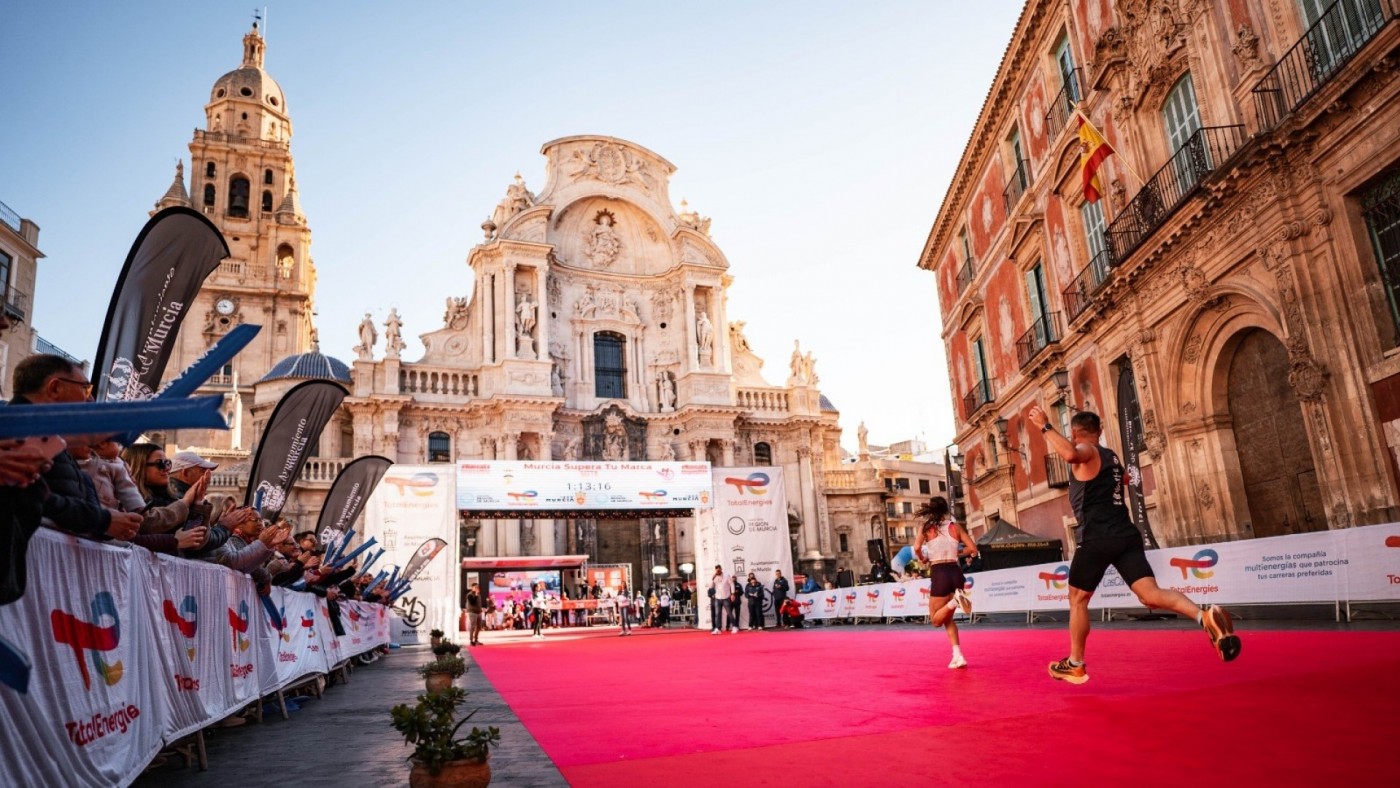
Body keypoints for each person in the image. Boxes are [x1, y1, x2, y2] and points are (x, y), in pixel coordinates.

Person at [1028, 406, 1241, 684]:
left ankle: (1075, 664)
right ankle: (1203, 616)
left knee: (1078, 599)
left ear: (1075, 432)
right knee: (1150, 594)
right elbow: (1124, 479)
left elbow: (1069, 454)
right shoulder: (1111, 456)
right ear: (1100, 431)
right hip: (1125, 535)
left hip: (1096, 536)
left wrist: (1045, 427)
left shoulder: (1086, 451)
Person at [913, 496, 978, 669]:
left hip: (940, 572)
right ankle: (958, 656)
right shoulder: (955, 526)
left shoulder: (926, 528)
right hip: (956, 573)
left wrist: (923, 558)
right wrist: (957, 553)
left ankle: (955, 601)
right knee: (948, 619)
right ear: (945, 510)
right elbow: (973, 549)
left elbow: (917, 548)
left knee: (935, 620)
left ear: (931, 509)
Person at [708, 565, 733, 634]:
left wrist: (732, 593)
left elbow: (732, 584)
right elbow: (710, 587)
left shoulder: (726, 575)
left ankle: (735, 626)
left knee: (729, 612)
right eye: (716, 570)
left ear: (721, 569)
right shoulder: (715, 577)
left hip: (726, 597)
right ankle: (717, 628)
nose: (718, 571)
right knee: (717, 614)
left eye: (719, 570)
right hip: (717, 598)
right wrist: (713, 579)